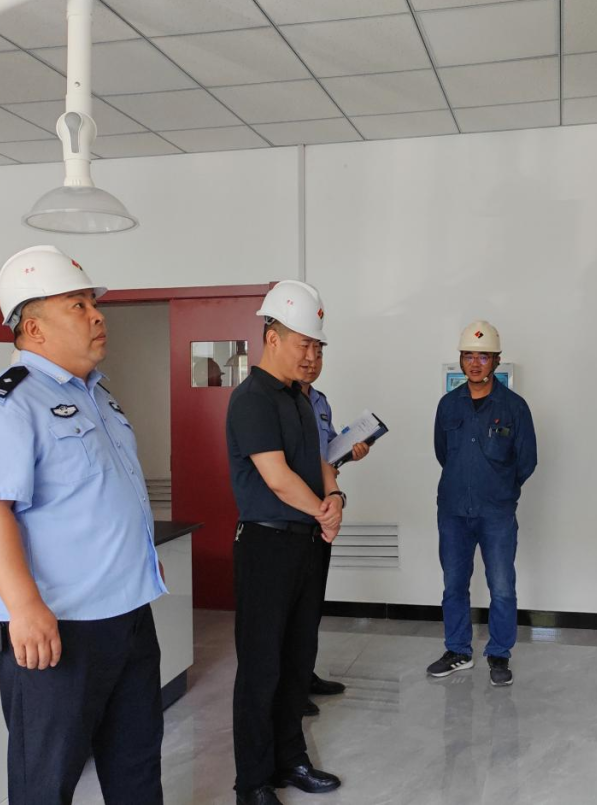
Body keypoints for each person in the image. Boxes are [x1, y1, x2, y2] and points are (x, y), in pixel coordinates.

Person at [0, 245, 168, 805]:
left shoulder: (98, 395)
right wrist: (25, 607)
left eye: (93, 304)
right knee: (45, 785)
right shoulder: (5, 403)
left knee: (137, 767)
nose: (97, 316)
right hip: (58, 628)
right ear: (34, 328)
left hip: (127, 615)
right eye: (78, 305)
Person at [226, 280, 346, 805]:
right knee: (261, 667)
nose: (312, 355)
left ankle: (290, 758)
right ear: (272, 337)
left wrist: (334, 496)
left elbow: (319, 459)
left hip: (307, 543)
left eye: (318, 346)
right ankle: (253, 782)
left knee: (298, 657)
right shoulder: (252, 399)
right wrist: (323, 510)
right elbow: (276, 478)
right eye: (304, 344)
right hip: (266, 545)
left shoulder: (299, 398)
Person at [427, 320, 537, 687]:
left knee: (502, 586)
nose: (475, 364)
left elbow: (527, 460)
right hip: (454, 511)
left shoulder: (514, 407)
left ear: (496, 361)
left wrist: (501, 490)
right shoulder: (448, 405)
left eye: (483, 357)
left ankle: (499, 653)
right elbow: (443, 453)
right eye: (469, 356)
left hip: (496, 513)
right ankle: (458, 650)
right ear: (461, 360)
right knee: (453, 584)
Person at [299, 344, 371, 715]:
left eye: (319, 355)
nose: (312, 362)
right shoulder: (279, 400)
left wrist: (350, 453)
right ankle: (291, 688)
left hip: (323, 509)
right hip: (296, 509)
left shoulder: (320, 401)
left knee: (312, 602)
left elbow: (326, 453)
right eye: (305, 352)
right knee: (293, 607)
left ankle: (304, 674)